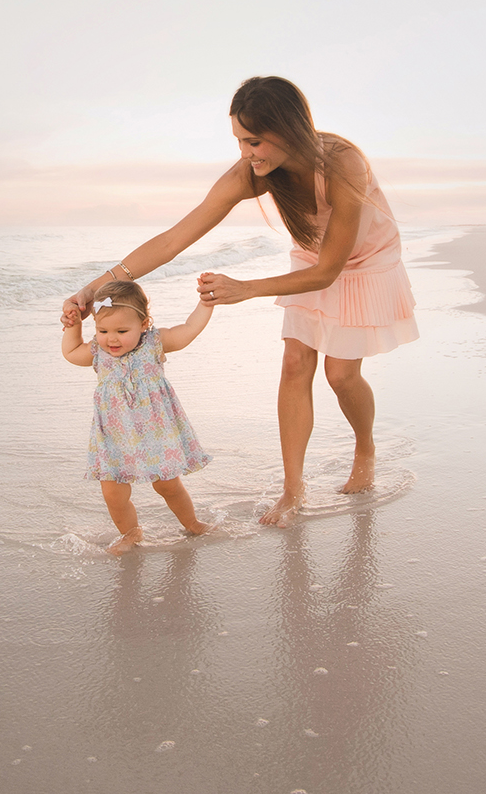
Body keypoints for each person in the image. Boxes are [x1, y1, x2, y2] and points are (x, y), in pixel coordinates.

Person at [63, 76, 418, 527]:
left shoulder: (344, 164)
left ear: (289, 129)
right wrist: (93, 288)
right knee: (295, 363)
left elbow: (330, 270)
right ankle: (293, 489)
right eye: (239, 141)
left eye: (254, 141)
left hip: (365, 261)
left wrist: (247, 288)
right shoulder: (251, 174)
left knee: (341, 374)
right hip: (312, 256)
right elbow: (174, 238)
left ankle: (364, 445)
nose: (246, 153)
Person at [60, 279, 217, 555]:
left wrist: (205, 303)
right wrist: (74, 326)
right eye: (102, 330)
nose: (111, 338)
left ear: (144, 324)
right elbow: (71, 353)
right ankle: (131, 533)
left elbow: (189, 330)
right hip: (114, 436)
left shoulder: (154, 343)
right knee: (113, 493)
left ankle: (191, 522)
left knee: (167, 485)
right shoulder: (99, 351)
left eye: (122, 330)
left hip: (155, 432)